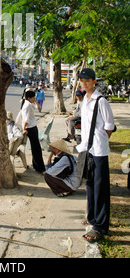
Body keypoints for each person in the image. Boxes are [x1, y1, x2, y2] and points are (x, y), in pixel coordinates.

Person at [77, 68, 115, 243]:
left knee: (101, 189)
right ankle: (92, 218)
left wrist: (100, 141)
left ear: (94, 82)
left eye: (87, 80)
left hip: (99, 150)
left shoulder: (101, 101)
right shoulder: (85, 99)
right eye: (81, 80)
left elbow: (109, 126)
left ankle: (100, 226)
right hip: (87, 149)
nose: (83, 83)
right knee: (90, 185)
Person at [17, 90, 45, 173]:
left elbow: (39, 108)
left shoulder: (29, 103)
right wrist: (24, 128)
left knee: (35, 148)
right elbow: (26, 119)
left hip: (32, 127)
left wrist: (35, 101)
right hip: (30, 128)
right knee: (36, 148)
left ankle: (37, 165)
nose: (34, 98)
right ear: (29, 98)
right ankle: (40, 167)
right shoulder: (27, 105)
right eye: (33, 97)